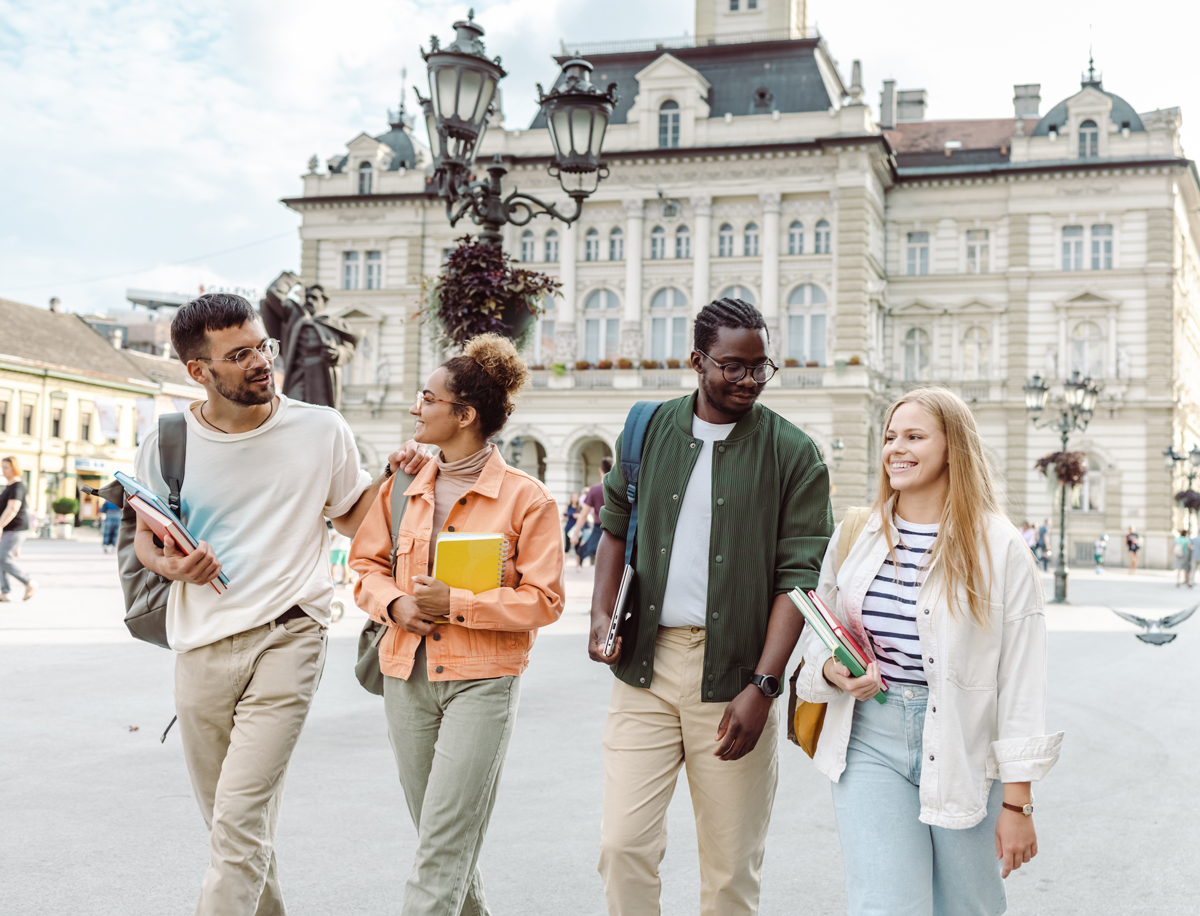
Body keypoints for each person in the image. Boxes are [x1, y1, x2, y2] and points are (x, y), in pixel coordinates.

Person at [131, 293, 427, 916]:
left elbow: (351, 518)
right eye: (238, 355)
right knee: (231, 830)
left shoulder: (321, 428)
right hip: (199, 646)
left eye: (261, 345)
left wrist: (396, 479)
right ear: (198, 371)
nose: (261, 361)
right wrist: (173, 564)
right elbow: (146, 545)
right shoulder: (167, 440)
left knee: (238, 824)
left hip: (289, 636)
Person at [587, 298, 833, 916]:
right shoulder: (648, 429)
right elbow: (615, 526)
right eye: (733, 367)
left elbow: (799, 580)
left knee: (728, 869)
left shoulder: (793, 453)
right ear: (696, 361)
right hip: (645, 667)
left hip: (734, 676)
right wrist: (600, 617)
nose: (749, 381)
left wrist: (764, 683)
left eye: (760, 368)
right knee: (622, 846)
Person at [796, 387, 1063, 916]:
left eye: (915, 436)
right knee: (885, 904)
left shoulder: (1000, 547)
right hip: (870, 740)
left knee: (969, 907)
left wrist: (1018, 801)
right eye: (891, 436)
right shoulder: (857, 534)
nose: (896, 447)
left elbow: (1020, 683)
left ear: (952, 449)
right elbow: (816, 641)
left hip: (965, 743)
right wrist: (834, 670)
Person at [350, 334, 565, 916]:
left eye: (428, 397)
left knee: (443, 843)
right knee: (441, 839)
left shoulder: (529, 500)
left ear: (464, 415)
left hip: (482, 682)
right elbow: (364, 565)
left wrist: (460, 604)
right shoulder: (401, 486)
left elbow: (544, 601)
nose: (416, 407)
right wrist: (395, 605)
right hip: (404, 676)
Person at [1, 456, 37, 602]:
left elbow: (13, 508)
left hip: (15, 528)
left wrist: (0, 525)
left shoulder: (18, 486)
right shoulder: (9, 486)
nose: (3, 470)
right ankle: (5, 592)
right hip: (9, 529)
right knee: (1, 558)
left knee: (2, 558)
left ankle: (29, 582)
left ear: (14, 468)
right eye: (2, 467)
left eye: (6, 467)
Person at [576, 459, 612, 566]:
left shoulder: (594, 489)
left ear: (600, 470)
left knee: (595, 556)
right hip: (614, 528)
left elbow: (583, 514)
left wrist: (575, 533)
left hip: (598, 527)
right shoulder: (616, 488)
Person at [328, 521, 352, 586]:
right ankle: (346, 582)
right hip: (346, 548)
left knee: (334, 565)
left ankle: (331, 580)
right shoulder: (348, 528)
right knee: (345, 565)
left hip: (338, 548)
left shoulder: (337, 528)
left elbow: (332, 538)